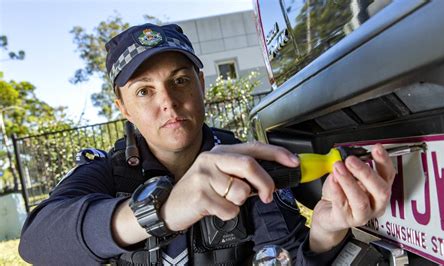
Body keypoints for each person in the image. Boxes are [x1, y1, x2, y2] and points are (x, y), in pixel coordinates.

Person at [19, 23, 395, 265]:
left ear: (201, 84)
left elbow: (285, 254)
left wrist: (325, 235)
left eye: (180, 80)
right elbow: (37, 242)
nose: (167, 101)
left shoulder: (245, 165)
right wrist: (159, 212)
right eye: (144, 91)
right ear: (123, 108)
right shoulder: (105, 171)